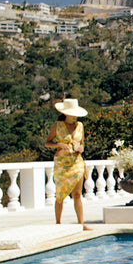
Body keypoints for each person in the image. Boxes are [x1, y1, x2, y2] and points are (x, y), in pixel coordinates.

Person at [44, 98, 91, 231]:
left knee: (77, 194)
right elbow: (48, 142)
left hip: (76, 162)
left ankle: (81, 223)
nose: (75, 116)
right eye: (72, 113)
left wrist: (81, 148)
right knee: (60, 195)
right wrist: (58, 144)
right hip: (62, 164)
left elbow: (82, 143)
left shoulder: (80, 126)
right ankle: (58, 223)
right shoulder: (58, 126)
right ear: (66, 113)